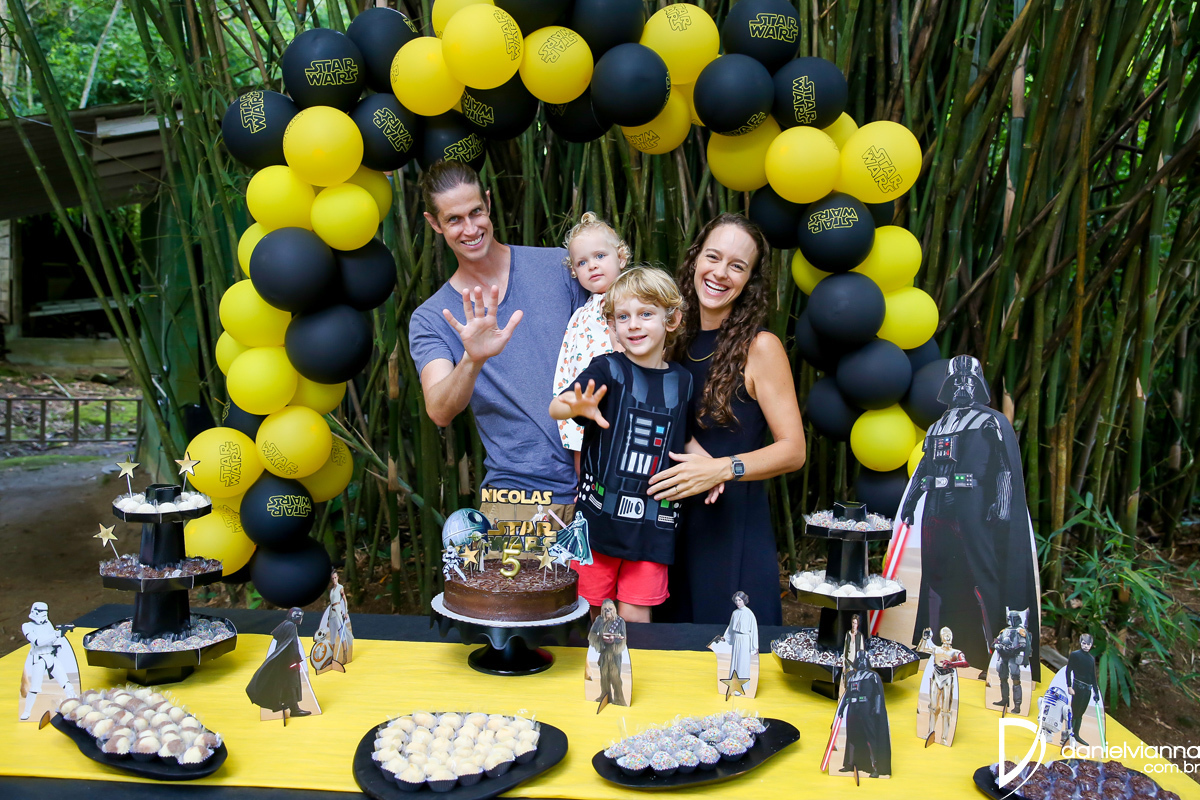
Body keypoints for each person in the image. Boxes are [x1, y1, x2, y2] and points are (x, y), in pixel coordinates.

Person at [408, 161, 586, 528]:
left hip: (601, 478)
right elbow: (439, 410)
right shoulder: (431, 318)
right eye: (454, 219)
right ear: (434, 223)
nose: (470, 229)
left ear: (488, 203)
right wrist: (472, 360)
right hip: (520, 497)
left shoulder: (561, 266)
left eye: (475, 212)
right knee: (517, 570)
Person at [649, 213, 807, 626]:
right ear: (695, 259)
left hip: (730, 530)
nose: (720, 273)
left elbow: (793, 450)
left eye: (737, 266)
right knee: (665, 654)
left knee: (732, 655)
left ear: (749, 280)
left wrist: (723, 468)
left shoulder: (761, 347)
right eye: (713, 257)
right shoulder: (666, 337)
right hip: (667, 525)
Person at [549, 267, 715, 622]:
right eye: (623, 317)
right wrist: (575, 406)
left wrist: (712, 469)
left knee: (638, 618)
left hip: (654, 527)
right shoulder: (606, 369)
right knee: (592, 612)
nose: (634, 325)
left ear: (672, 320)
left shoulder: (683, 381)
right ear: (611, 326)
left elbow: (683, 437)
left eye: (646, 314)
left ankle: (631, 662)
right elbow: (558, 406)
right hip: (598, 525)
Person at [898, 355, 1042, 677]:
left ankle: (995, 652)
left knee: (982, 575)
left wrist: (1002, 503)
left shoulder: (990, 421)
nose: (962, 386)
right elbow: (924, 468)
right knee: (936, 576)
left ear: (977, 386)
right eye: (957, 381)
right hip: (937, 507)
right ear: (949, 386)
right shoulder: (937, 425)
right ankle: (934, 645)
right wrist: (910, 502)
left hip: (973, 508)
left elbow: (1004, 466)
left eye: (969, 381)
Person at [552, 212, 630, 454]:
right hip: (582, 399)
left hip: (615, 394)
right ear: (574, 272)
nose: (592, 265)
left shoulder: (627, 300)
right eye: (582, 262)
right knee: (583, 452)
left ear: (621, 258)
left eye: (600, 256)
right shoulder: (582, 312)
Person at [246, 607, 312, 719]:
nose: (300, 618)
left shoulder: (286, 624)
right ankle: (294, 709)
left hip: (285, 661)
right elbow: (292, 644)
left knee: (286, 684)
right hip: (289, 662)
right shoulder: (290, 626)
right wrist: (297, 658)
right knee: (292, 684)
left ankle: (285, 705)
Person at [20, 602, 78, 720]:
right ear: (35, 611)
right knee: (35, 688)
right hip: (39, 658)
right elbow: (37, 641)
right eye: (41, 612)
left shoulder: (47, 624)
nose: (43, 615)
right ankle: (27, 711)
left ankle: (76, 706)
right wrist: (56, 634)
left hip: (51, 656)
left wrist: (58, 641)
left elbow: (53, 640)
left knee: (66, 683)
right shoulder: (27, 626)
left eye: (45, 612)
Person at [838, 650, 891, 778]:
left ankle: (875, 767)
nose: (861, 661)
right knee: (852, 736)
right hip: (853, 708)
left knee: (870, 737)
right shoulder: (852, 677)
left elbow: (878, 693)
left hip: (866, 708)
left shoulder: (872, 676)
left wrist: (877, 709)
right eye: (859, 659)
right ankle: (850, 764)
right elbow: (847, 695)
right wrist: (841, 709)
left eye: (864, 659)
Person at [924, 627, 969, 745]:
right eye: (945, 634)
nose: (948, 636)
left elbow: (965, 663)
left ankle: (944, 737)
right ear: (941, 637)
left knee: (946, 710)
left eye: (949, 634)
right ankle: (930, 732)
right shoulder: (936, 649)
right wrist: (925, 638)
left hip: (948, 678)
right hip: (936, 676)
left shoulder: (956, 652)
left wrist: (952, 664)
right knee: (933, 707)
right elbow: (921, 649)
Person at [587, 599, 628, 706]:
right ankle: (605, 695)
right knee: (604, 675)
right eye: (605, 609)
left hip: (615, 653)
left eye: (610, 609)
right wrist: (601, 638)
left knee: (615, 676)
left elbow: (624, 638)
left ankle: (619, 699)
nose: (607, 611)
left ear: (614, 609)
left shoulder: (620, 621)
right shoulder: (599, 620)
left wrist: (615, 640)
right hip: (604, 652)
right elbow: (591, 635)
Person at [992, 607, 1031, 715]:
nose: (1012, 620)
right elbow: (995, 642)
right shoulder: (1005, 631)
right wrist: (998, 646)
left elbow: (1023, 644)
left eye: (1014, 618)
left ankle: (1017, 705)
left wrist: (1013, 649)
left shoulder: (1021, 631)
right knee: (1002, 678)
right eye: (1011, 618)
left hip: (1013, 657)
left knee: (1015, 680)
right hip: (1003, 656)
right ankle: (1005, 699)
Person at [1065, 633, 1099, 746]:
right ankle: (1069, 734)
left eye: (1088, 644)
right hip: (1078, 687)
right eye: (1084, 643)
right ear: (1080, 643)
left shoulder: (1091, 659)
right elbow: (1068, 670)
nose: (1086, 646)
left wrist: (1096, 692)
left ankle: (1076, 734)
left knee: (1080, 713)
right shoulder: (1075, 655)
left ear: (1091, 645)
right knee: (1075, 711)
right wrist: (1069, 686)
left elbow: (1093, 677)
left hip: (1087, 689)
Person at [721, 591, 759, 688]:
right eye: (736, 600)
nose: (738, 602)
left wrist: (755, 646)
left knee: (743, 661)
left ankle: (742, 686)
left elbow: (754, 629)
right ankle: (733, 684)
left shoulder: (749, 613)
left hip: (745, 639)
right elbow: (730, 628)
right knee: (735, 660)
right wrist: (726, 637)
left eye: (740, 600)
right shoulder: (735, 613)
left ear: (744, 600)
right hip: (736, 638)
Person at [318, 570, 353, 666]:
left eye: (335, 578)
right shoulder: (332, 590)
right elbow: (331, 604)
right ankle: (331, 657)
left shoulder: (340, 588)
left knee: (341, 633)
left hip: (338, 611)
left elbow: (345, 600)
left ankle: (345, 654)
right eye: (332, 578)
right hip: (332, 612)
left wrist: (346, 612)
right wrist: (328, 619)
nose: (334, 580)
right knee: (332, 635)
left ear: (338, 578)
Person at [840, 613, 866, 698]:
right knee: (847, 681)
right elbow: (845, 648)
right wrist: (843, 664)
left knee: (855, 682)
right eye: (853, 623)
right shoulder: (848, 634)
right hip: (848, 661)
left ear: (858, 625)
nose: (854, 625)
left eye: (855, 623)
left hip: (855, 663)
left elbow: (861, 651)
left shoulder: (860, 636)